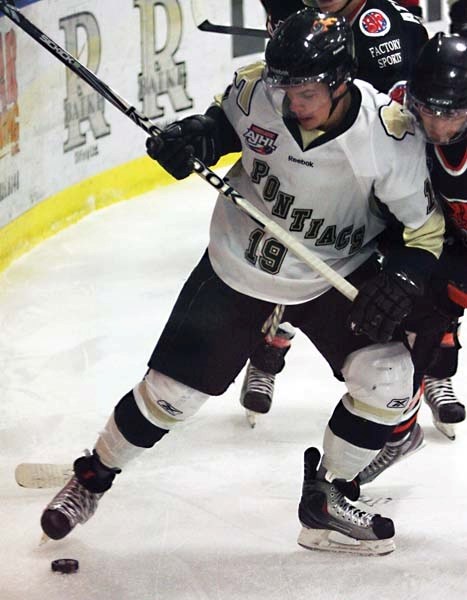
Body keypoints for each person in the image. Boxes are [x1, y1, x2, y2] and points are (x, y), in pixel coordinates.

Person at [40, 9, 445, 555]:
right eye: (284, 89)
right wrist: (195, 140)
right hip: (242, 262)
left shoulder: (386, 136)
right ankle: (91, 479)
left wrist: (406, 273)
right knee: (171, 395)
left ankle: (330, 497)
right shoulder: (260, 90)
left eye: (304, 93)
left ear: (341, 82)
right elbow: (223, 127)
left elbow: (425, 228)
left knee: (391, 378)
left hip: (333, 268)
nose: (290, 104)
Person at [243, 0, 428, 420]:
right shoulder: (295, 14)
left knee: (419, 270)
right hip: (325, 171)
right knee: (297, 248)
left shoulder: (394, 26)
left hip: (390, 173)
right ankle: (268, 348)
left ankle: (434, 367)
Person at [358, 32, 467, 482]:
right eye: (429, 110)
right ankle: (404, 421)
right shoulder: (397, 105)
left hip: (457, 240)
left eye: (453, 114)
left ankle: (426, 383)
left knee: (431, 315)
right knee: (395, 317)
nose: (437, 125)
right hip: (414, 226)